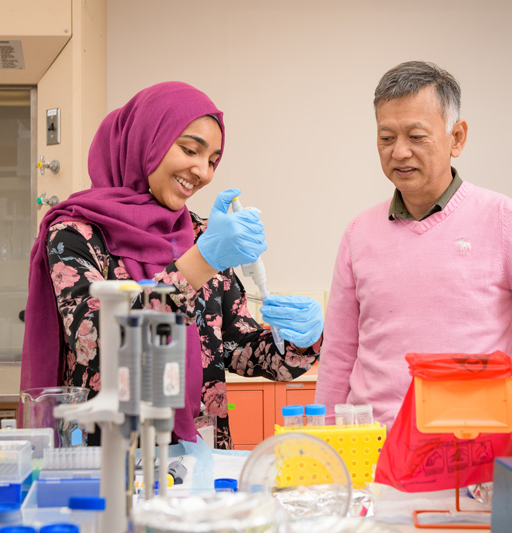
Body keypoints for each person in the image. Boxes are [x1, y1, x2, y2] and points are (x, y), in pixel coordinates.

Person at [21, 81, 323, 449]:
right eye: (190, 150)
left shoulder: (201, 234)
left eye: (213, 160)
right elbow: (95, 343)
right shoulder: (76, 233)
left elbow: (237, 348)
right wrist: (199, 263)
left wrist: (296, 341)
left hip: (197, 454)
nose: (204, 172)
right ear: (146, 140)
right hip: (106, 460)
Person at [314, 61, 512, 429]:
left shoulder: (505, 220)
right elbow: (339, 354)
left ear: (457, 137)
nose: (399, 152)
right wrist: (321, 441)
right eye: (386, 138)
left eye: (416, 136)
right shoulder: (359, 232)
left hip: (465, 451)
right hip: (370, 449)